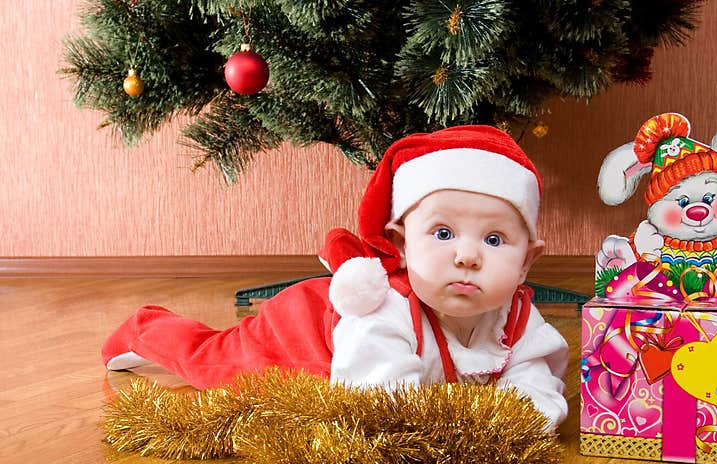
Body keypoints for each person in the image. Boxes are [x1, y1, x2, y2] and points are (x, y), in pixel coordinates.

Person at [102, 125, 570, 429]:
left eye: (494, 240)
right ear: (401, 244)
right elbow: (379, 404)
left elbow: (538, 385)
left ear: (527, 262)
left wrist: (517, 421)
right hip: (300, 330)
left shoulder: (518, 320)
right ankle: (145, 328)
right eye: (443, 232)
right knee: (212, 364)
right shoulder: (387, 310)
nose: (467, 256)